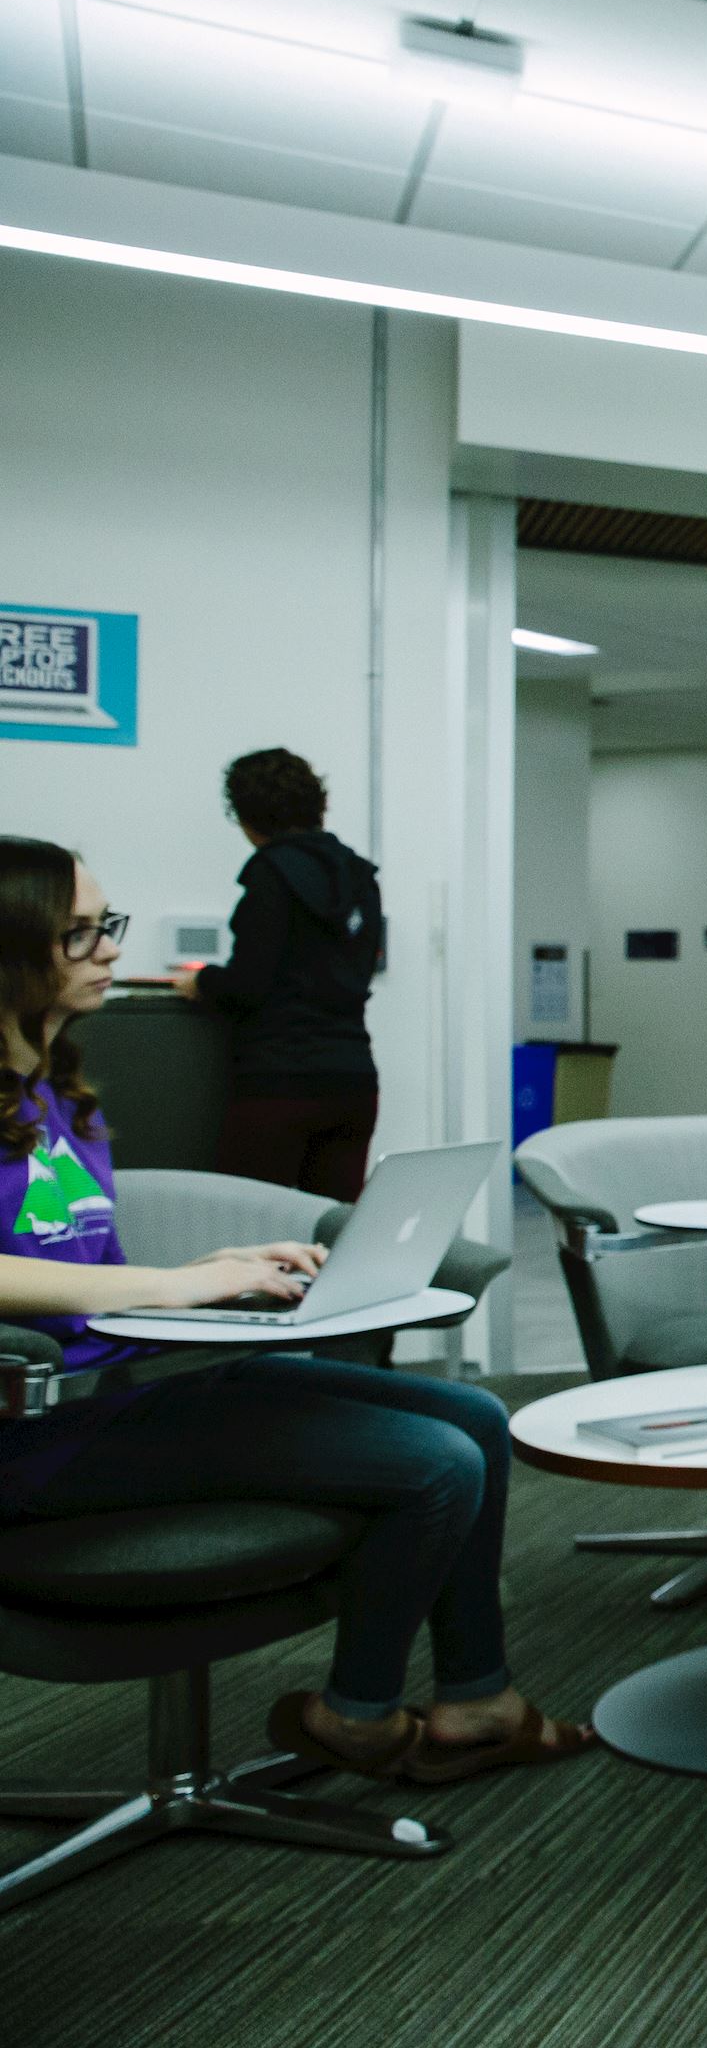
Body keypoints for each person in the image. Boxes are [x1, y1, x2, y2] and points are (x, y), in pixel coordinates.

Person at [0, 836, 595, 1783]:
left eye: (103, 925)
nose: (110, 948)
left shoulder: (57, 1090)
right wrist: (163, 1288)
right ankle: (356, 1716)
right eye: (80, 933)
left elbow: (75, 1263)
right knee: (433, 1464)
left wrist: (212, 1264)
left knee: (479, 1417)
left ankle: (477, 1698)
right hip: (36, 1432)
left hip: (120, 1386)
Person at [172, 749, 384, 1201]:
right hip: (352, 1082)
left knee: (248, 1229)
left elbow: (248, 987)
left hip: (279, 1083)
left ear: (247, 815)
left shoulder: (271, 875)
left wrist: (201, 981)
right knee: (330, 1233)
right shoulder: (360, 876)